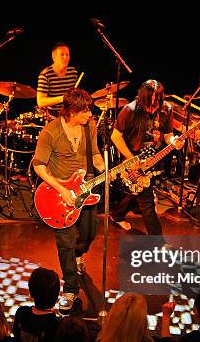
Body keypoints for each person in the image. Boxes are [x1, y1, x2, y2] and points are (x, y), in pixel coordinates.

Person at [32, 88, 105, 311]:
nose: (90, 115)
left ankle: (77, 255)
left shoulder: (90, 127)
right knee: (65, 243)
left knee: (89, 233)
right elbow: (39, 165)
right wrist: (61, 189)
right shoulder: (50, 132)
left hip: (85, 189)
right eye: (86, 111)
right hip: (59, 195)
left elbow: (94, 154)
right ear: (72, 112)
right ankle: (71, 289)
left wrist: (104, 166)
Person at [109, 79, 180, 233]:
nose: (152, 106)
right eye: (149, 102)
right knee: (147, 202)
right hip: (132, 157)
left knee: (137, 191)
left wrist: (174, 141)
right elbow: (115, 136)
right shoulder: (130, 110)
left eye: (156, 102)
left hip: (152, 157)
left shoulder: (166, 109)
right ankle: (158, 244)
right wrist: (131, 159)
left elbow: (168, 135)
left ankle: (116, 215)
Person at [37, 42, 79, 116]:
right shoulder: (45, 74)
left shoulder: (73, 72)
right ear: (54, 57)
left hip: (70, 112)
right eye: (62, 55)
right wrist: (63, 98)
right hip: (54, 114)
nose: (65, 57)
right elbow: (40, 102)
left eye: (67, 55)